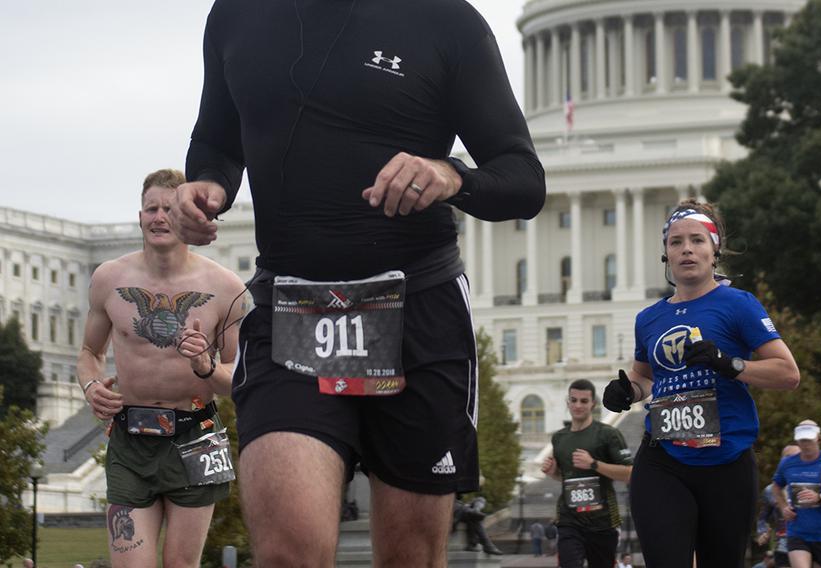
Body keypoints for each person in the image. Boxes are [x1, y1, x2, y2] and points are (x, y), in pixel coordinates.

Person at [170, 2, 545, 565]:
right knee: (289, 550)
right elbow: (218, 139)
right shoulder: (236, 14)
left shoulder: (446, 20)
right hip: (292, 307)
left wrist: (450, 174)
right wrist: (206, 185)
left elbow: (523, 177)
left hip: (416, 307)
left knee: (410, 557)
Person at [602, 199, 800, 568]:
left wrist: (730, 364)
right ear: (666, 254)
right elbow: (644, 376)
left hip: (726, 462)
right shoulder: (649, 317)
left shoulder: (738, 304)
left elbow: (787, 374)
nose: (687, 249)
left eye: (697, 240)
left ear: (714, 251)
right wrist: (626, 390)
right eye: (676, 242)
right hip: (663, 461)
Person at [78, 169, 246, 568]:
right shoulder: (109, 279)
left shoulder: (225, 288)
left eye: (169, 209)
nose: (159, 217)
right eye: (150, 208)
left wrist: (205, 366)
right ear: (140, 217)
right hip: (129, 439)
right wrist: (90, 387)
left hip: (196, 437)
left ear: (185, 217)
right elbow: (89, 351)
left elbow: (236, 381)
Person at [542, 379, 633, 568]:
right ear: (567, 403)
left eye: (584, 401)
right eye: (573, 400)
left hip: (603, 521)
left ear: (593, 403)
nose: (578, 405)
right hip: (569, 520)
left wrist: (594, 464)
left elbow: (630, 473)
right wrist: (553, 473)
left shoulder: (608, 434)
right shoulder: (559, 438)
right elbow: (566, 476)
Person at [772, 421, 821, 568]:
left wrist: (820, 498)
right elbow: (776, 487)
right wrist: (783, 507)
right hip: (797, 532)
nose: (805, 444)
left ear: (819, 438)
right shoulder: (787, 463)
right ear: (796, 439)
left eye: (809, 439)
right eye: (802, 439)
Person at [758, 445, 802, 568]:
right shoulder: (770, 490)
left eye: (797, 457)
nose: (793, 460)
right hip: (783, 546)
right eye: (788, 457)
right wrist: (763, 531)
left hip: (809, 542)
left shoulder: (810, 482)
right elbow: (762, 518)